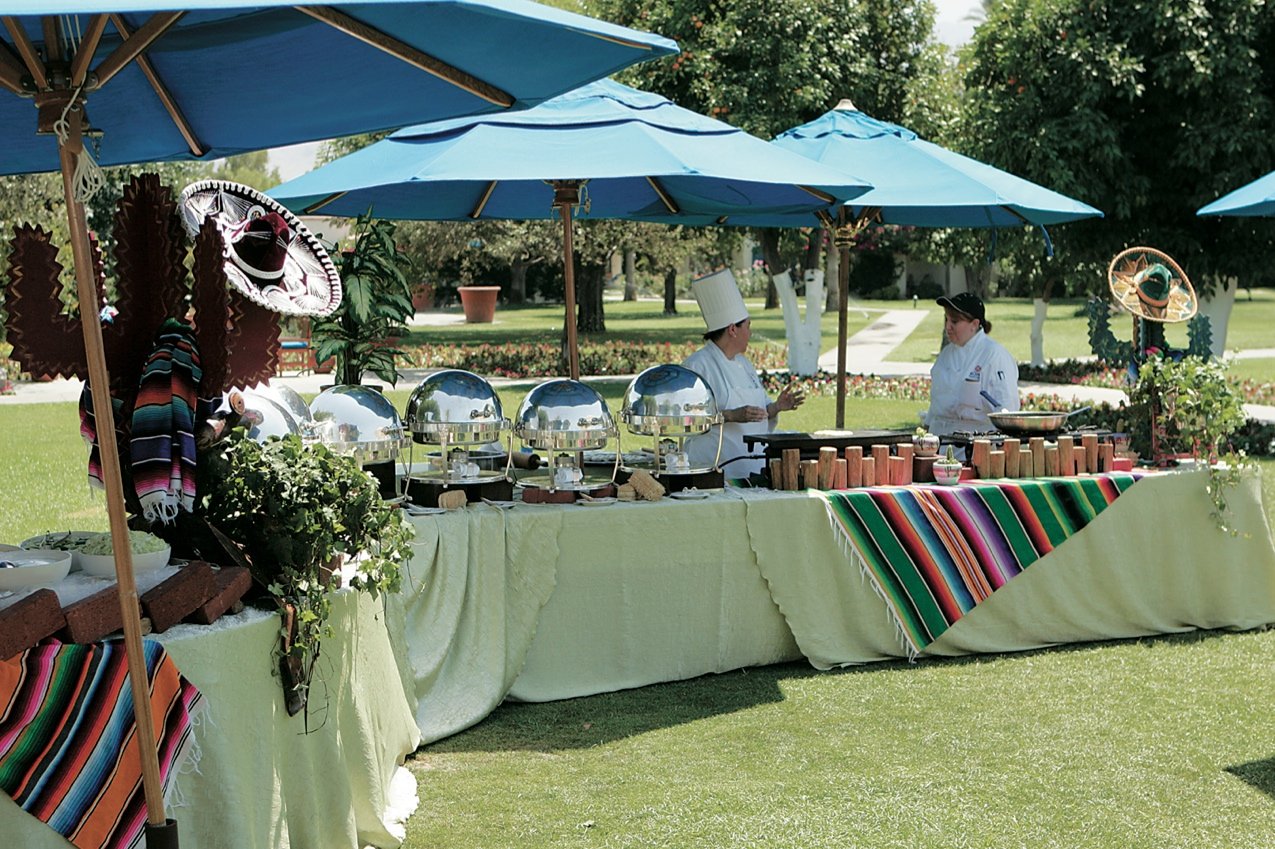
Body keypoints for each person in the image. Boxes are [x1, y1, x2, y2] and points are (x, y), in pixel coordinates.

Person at [682, 270, 805, 476]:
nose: (750, 333)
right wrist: (731, 415)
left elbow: (759, 413)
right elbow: (685, 420)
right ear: (732, 329)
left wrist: (776, 407)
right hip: (711, 472)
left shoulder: (744, 364)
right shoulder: (697, 366)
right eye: (748, 327)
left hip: (750, 469)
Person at [922, 292, 1019, 436]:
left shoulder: (994, 356)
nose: (948, 327)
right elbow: (936, 406)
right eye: (946, 320)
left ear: (974, 324)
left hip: (976, 447)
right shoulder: (945, 355)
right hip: (939, 444)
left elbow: (1007, 412)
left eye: (954, 321)